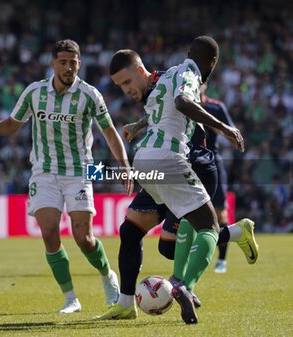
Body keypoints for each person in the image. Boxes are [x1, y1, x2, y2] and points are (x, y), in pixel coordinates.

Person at [95, 39, 258, 324]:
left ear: (141, 69)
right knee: (203, 228)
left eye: (126, 83)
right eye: (120, 86)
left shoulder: (173, 75)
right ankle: (179, 285)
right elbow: (178, 103)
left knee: (155, 239)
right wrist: (224, 128)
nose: (126, 90)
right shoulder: (176, 77)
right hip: (169, 159)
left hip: (166, 161)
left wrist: (141, 125)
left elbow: (177, 103)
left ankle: (140, 298)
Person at [0, 39, 133, 314]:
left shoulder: (90, 94)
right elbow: (11, 126)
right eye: (63, 62)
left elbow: (109, 133)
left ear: (79, 64)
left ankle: (108, 277)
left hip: (80, 171)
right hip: (44, 171)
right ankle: (71, 298)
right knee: (48, 232)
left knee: (84, 238)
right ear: (52, 64)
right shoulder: (34, 93)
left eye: (73, 62)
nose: (69, 67)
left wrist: (125, 165)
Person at [201, 84, 236, 273]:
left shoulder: (216, 107)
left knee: (220, 212)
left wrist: (220, 130)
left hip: (212, 159)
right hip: (188, 161)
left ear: (205, 85)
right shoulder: (181, 105)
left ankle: (221, 260)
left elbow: (233, 133)